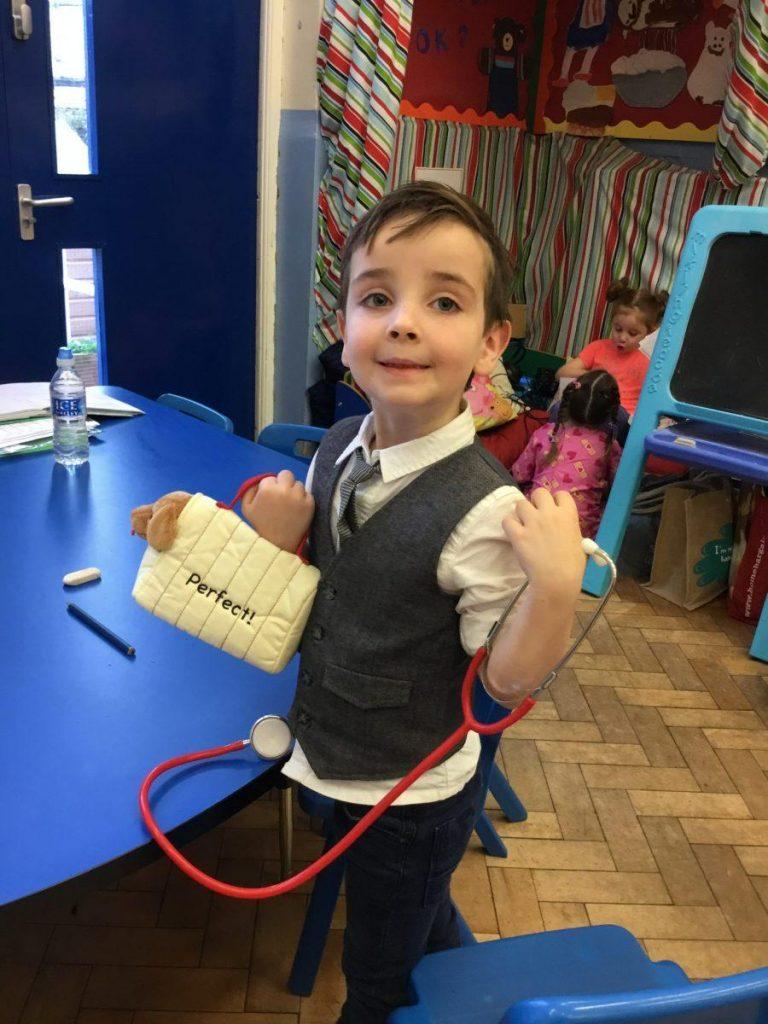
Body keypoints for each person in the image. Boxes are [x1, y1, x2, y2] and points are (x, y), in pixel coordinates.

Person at [242, 181, 586, 1024]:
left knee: (377, 975)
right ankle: (461, 979)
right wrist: (281, 540)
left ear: (491, 342)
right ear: (343, 325)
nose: (402, 323)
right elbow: (325, 589)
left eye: (443, 302)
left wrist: (553, 589)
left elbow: (501, 687)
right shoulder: (335, 446)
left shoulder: (485, 512)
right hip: (336, 751)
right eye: (376, 298)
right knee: (413, 921)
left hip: (412, 793)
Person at [512, 370, 622, 538]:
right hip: (579, 534)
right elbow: (617, 489)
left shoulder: (544, 432)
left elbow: (519, 475)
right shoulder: (609, 447)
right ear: (610, 413)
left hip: (533, 523)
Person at [555, 279, 668, 421]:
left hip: (620, 417)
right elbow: (561, 373)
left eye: (632, 333)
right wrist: (598, 378)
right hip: (589, 407)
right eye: (618, 329)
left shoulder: (649, 363)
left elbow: (656, 401)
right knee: (558, 408)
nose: (622, 337)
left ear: (648, 332)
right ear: (612, 323)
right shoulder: (598, 348)